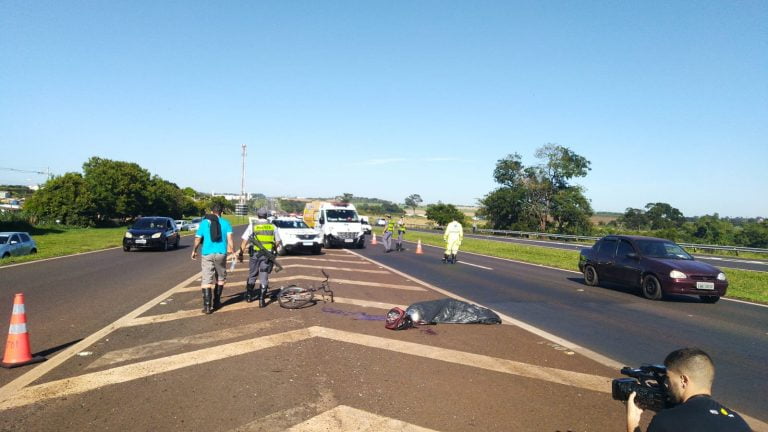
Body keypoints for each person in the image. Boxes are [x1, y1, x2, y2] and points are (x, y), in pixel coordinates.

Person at [626, 347, 751, 432]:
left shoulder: (667, 421)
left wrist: (633, 422)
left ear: (684, 380)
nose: (666, 385)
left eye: (668, 378)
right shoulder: (739, 423)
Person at [191, 204, 234, 314]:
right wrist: (232, 251)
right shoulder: (226, 223)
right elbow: (230, 239)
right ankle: (217, 302)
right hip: (221, 253)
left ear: (211, 212)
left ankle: (207, 307)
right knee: (220, 277)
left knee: (206, 279)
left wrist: (194, 250)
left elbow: (197, 238)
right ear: (222, 212)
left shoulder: (204, 223)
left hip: (207, 253)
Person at [238, 208, 281, 307]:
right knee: (264, 276)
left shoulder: (253, 225)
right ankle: (262, 300)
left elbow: (244, 241)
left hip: (255, 254)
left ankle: (249, 296)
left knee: (252, 274)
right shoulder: (272, 226)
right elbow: (278, 241)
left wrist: (240, 254)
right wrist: (273, 248)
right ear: (266, 216)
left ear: (258, 215)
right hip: (267, 255)